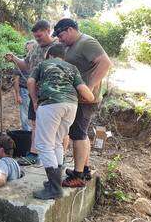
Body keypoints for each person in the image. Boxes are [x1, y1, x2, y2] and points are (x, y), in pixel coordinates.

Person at [27, 44, 94, 200]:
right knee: (57, 142)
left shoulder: (43, 64)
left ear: (49, 55)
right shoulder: (72, 68)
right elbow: (87, 94)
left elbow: (30, 82)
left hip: (50, 104)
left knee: (43, 145)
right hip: (71, 106)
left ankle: (55, 188)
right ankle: (54, 183)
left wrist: (35, 101)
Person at [52, 18, 112, 187]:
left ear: (70, 29)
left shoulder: (87, 42)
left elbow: (106, 63)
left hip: (85, 99)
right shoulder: (73, 44)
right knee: (80, 133)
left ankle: (77, 176)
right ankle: (84, 168)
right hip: (79, 98)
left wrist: (90, 86)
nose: (60, 39)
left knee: (78, 134)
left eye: (61, 35)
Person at [5, 20, 61, 166]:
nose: (37, 39)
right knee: (34, 123)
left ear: (48, 31)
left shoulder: (58, 47)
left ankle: (55, 158)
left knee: (53, 126)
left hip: (51, 94)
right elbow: (25, 64)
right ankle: (33, 154)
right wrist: (14, 59)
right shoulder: (35, 48)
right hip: (34, 93)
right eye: (35, 37)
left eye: (40, 36)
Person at [12, 40, 36, 131]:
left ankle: (35, 131)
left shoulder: (40, 60)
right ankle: (27, 133)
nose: (30, 52)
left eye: (32, 49)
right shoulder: (21, 62)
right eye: (28, 50)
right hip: (24, 91)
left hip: (37, 90)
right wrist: (17, 95)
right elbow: (16, 79)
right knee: (24, 113)